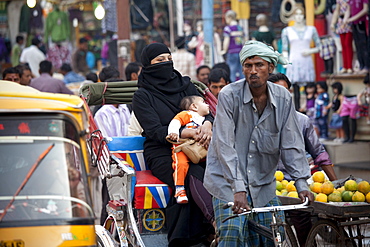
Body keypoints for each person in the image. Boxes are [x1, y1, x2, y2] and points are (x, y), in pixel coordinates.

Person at [203, 40, 313, 246]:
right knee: (231, 234)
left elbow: (291, 143)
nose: (253, 71)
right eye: (248, 65)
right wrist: (238, 188)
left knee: (274, 236)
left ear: (270, 68)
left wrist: (301, 183)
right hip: (227, 183)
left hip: (263, 184)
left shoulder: (283, 98)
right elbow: (224, 145)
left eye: (259, 65)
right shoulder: (229, 95)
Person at [132, 42, 215, 246]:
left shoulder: (185, 85)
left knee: (217, 173)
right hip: (162, 152)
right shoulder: (142, 96)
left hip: (197, 148)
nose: (166, 64)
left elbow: (207, 112)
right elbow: (154, 131)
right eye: (160, 61)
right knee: (188, 176)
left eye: (168, 59)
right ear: (148, 65)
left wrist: (207, 126)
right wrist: (187, 132)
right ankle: (203, 231)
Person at [269, 72, 337, 247]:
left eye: (285, 91)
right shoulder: (258, 122)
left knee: (303, 224)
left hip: (296, 183)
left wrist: (337, 184)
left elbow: (319, 153)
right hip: (268, 184)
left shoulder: (302, 121)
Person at [167, 95, 210, 204]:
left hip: (199, 149)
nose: (207, 104)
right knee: (180, 164)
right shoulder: (188, 114)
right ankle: (179, 189)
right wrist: (174, 133)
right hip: (182, 147)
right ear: (194, 106)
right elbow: (176, 122)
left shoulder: (205, 120)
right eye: (203, 102)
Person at [281, 5, 320, 110]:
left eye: (301, 14)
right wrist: (285, 61)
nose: (299, 16)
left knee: (309, 89)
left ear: (304, 15)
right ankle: (297, 111)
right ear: (293, 16)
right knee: (296, 90)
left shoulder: (311, 30)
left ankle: (310, 112)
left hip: (306, 61)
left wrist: (310, 51)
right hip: (294, 61)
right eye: (296, 14)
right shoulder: (287, 31)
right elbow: (285, 48)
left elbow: (319, 46)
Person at [221, 10, 244, 82]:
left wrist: (224, 50)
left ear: (229, 17)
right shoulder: (240, 28)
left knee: (231, 70)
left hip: (232, 52)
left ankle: (232, 86)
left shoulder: (228, 28)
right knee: (241, 71)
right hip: (241, 52)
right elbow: (244, 40)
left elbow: (226, 40)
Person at [330, 0, 354, 74]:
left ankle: (349, 66)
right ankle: (345, 66)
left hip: (349, 21)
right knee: (343, 45)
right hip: (341, 22)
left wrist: (345, 20)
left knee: (348, 43)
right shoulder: (339, 1)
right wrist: (333, 23)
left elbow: (349, 10)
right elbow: (337, 11)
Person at [345, 0, 369, 74]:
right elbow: (348, 10)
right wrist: (345, 19)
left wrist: (352, 18)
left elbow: (365, 10)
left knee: (363, 45)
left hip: (361, 22)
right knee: (357, 45)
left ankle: (366, 66)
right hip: (354, 23)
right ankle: (361, 65)